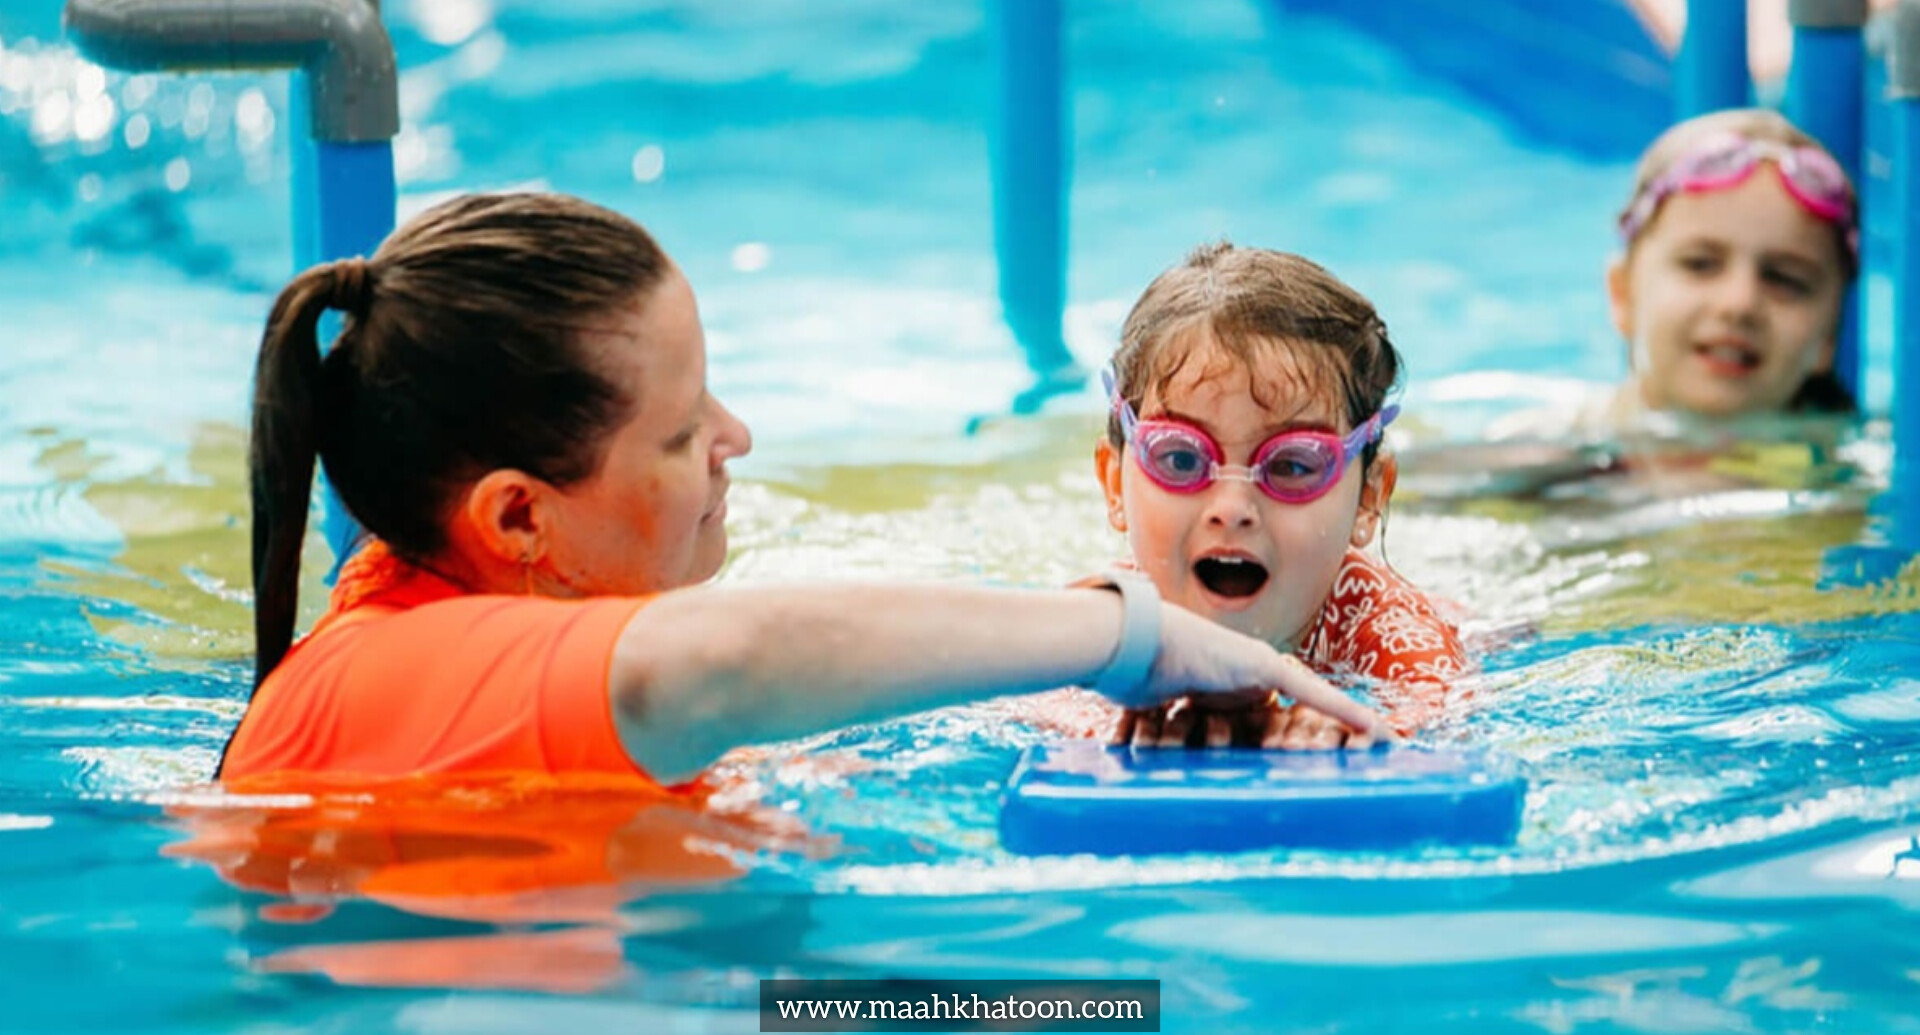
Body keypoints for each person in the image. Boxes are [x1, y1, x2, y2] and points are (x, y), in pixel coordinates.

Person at [220, 191, 1385, 788]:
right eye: (684, 431)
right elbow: (734, 660)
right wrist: (1130, 639)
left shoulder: (531, 651)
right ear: (521, 516)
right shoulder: (384, 680)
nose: (738, 434)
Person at [1092, 243, 1468, 749]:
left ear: (1368, 497)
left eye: (1292, 465)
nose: (1230, 509)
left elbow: (1436, 716)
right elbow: (1036, 695)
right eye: (1180, 459)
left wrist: (1357, 728)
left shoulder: (1386, 629)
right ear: (1116, 484)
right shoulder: (1119, 612)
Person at [1491, 107, 1858, 444]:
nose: (1740, 303)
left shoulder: (1853, 477)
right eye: (1700, 264)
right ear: (1623, 294)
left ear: (1828, 334)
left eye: (1785, 279)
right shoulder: (1541, 449)